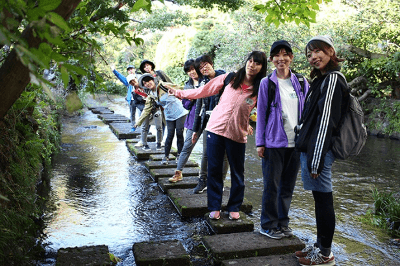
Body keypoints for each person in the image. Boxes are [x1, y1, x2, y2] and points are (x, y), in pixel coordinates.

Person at [169, 51, 268, 220]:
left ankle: (234, 207)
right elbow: (203, 91)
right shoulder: (230, 78)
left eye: (257, 63)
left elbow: (261, 112)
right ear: (246, 62)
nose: (252, 65)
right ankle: (214, 207)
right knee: (213, 170)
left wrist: (252, 128)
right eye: (250, 61)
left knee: (238, 172)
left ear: (262, 67)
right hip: (214, 129)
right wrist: (179, 93)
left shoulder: (261, 88)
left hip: (237, 134)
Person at [294, 35, 349, 266]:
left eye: (317, 51)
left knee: (324, 201)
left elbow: (327, 121)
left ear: (330, 52)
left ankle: (325, 255)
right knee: (319, 200)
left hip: (320, 152)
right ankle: (319, 246)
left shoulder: (334, 79)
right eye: (309, 54)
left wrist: (315, 160)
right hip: (313, 149)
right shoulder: (322, 80)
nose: (313, 57)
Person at [256, 40, 310, 240]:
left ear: (291, 58)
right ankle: (268, 224)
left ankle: (282, 222)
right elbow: (261, 114)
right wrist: (259, 142)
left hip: (296, 143)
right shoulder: (267, 83)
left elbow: (308, 111)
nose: (281, 58)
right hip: (273, 142)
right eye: (277, 55)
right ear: (271, 60)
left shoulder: (302, 82)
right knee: (272, 186)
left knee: (287, 186)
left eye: (285, 54)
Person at [176, 55, 229, 191]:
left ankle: (220, 183)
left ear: (212, 64)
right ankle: (202, 180)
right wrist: (195, 129)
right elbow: (199, 106)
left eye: (205, 64)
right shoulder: (203, 82)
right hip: (207, 120)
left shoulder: (226, 79)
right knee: (206, 152)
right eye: (200, 67)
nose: (204, 68)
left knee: (224, 154)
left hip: (224, 120)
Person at [135, 74, 188, 160]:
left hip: (180, 112)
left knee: (179, 133)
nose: (148, 83)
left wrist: (196, 91)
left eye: (149, 80)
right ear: (144, 86)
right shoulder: (151, 95)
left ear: (153, 80)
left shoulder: (164, 86)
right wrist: (138, 122)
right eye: (145, 83)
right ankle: (166, 157)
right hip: (169, 115)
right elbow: (146, 110)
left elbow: (180, 88)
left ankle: (179, 156)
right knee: (170, 135)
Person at [168, 59, 203, 182]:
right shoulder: (187, 85)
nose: (191, 72)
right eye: (188, 71)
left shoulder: (207, 81)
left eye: (193, 69)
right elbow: (185, 105)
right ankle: (178, 173)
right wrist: (192, 98)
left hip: (209, 118)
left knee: (210, 149)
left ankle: (206, 177)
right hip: (194, 118)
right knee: (187, 145)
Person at [111, 64, 145, 131]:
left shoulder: (140, 77)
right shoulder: (127, 79)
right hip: (131, 99)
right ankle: (133, 127)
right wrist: (114, 71)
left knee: (142, 113)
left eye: (131, 69)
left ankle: (143, 127)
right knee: (132, 114)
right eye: (129, 70)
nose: (130, 71)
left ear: (134, 69)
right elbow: (120, 77)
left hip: (140, 99)